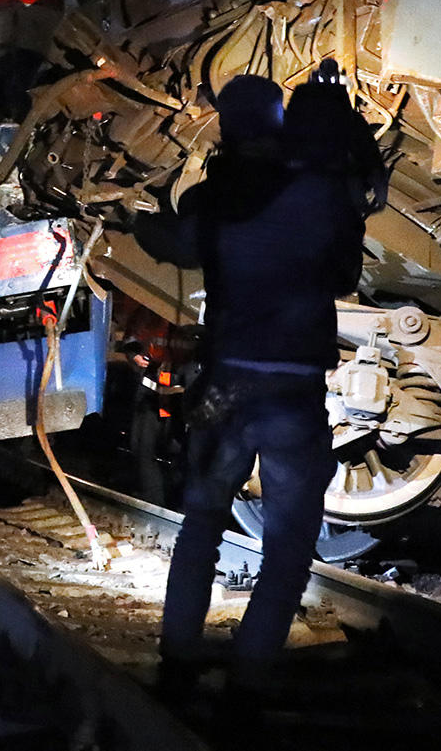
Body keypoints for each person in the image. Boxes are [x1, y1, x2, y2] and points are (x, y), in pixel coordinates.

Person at [132, 70, 366, 691]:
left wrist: (135, 219)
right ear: (279, 121)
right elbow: (345, 276)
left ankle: (178, 655)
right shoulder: (320, 193)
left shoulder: (215, 196)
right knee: (288, 545)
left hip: (227, 381)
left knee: (203, 521)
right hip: (293, 387)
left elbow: (177, 245)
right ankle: (251, 673)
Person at [124, 336, 183, 505]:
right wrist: (134, 354)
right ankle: (155, 501)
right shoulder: (153, 318)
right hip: (151, 396)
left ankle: (166, 501)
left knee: (176, 452)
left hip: (177, 399)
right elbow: (133, 335)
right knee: (142, 447)